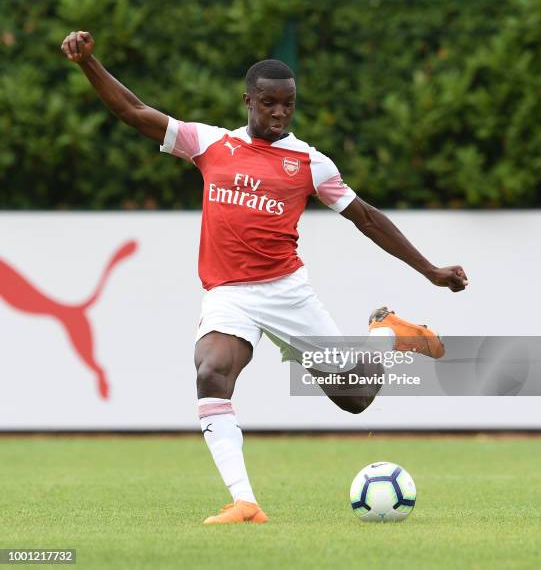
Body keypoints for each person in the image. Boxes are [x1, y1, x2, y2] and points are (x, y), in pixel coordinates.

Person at [61, 31, 468, 525]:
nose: (279, 113)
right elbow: (133, 111)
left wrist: (430, 270)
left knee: (355, 399)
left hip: (286, 293)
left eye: (288, 104)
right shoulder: (210, 144)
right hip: (228, 295)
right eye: (269, 103)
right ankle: (245, 502)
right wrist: (89, 63)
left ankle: (388, 335)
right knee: (211, 371)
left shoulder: (310, 163)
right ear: (248, 101)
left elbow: (366, 217)